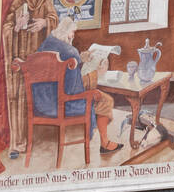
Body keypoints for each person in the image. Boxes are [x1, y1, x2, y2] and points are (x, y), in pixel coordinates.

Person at [36, 16, 122, 154]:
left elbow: (61, 74)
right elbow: (73, 90)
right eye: (73, 32)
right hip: (63, 105)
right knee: (106, 100)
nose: (73, 36)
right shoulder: (70, 52)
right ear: (67, 32)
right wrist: (95, 74)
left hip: (42, 103)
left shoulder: (44, 46)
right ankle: (104, 144)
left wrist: (79, 59)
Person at [2, 0, 59, 156]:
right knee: (18, 99)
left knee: (38, 96)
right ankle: (18, 144)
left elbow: (54, 18)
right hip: (21, 59)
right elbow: (7, 28)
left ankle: (38, 137)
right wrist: (18, 25)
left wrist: (45, 23)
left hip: (38, 58)